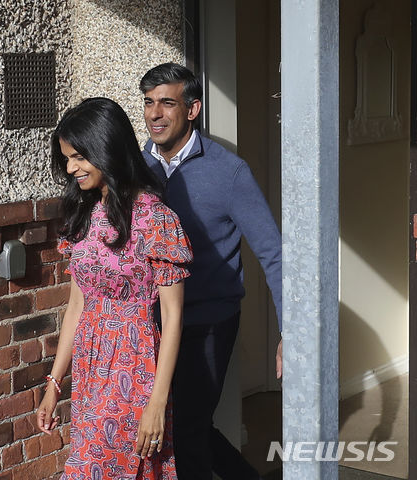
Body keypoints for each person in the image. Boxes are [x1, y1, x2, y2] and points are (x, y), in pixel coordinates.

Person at [35, 97, 193, 479]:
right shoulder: (84, 215)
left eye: (78, 157)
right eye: (67, 158)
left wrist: (157, 401)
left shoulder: (156, 220)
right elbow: (77, 306)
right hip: (90, 368)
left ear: (106, 149)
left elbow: (172, 318)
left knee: (101, 470)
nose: (71, 168)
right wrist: (55, 384)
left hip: (134, 364)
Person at [139, 62, 283, 480]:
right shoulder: (137, 168)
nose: (155, 114)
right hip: (152, 325)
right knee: (183, 427)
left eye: (167, 102)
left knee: (185, 431)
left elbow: (272, 252)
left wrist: (289, 331)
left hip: (208, 323)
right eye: (148, 103)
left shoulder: (229, 172)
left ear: (193, 108)